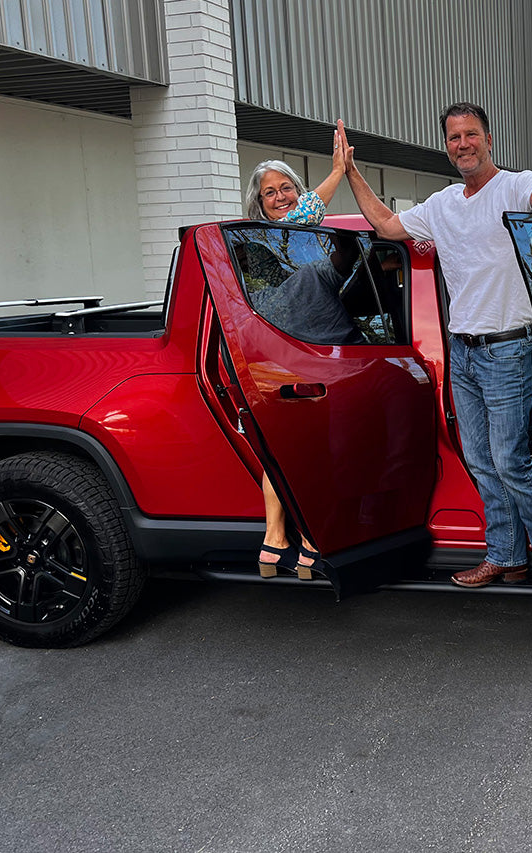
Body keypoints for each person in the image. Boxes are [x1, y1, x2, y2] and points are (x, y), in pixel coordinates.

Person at [337, 103, 532, 618]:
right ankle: (505, 556)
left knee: (511, 463)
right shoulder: (443, 204)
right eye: (453, 137)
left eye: (470, 135)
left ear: (489, 139)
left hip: (510, 346)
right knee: (483, 462)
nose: (462, 144)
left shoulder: (514, 186)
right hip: (463, 351)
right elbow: (385, 226)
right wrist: (351, 171)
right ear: (446, 145)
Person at [243, 120, 353, 579]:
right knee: (315, 453)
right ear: (258, 202)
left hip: (296, 356)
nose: (281, 196)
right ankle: (307, 539)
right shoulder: (257, 240)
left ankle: (274, 542)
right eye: (271, 191)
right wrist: (338, 172)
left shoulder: (299, 241)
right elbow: (305, 214)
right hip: (301, 358)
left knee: (285, 451)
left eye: (287, 187)